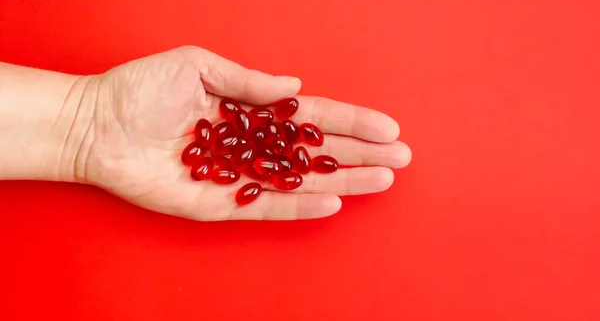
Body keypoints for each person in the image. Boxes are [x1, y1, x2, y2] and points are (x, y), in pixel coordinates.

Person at [0, 46, 411, 220]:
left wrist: (83, 118)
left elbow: (254, 153)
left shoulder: (258, 145)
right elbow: (240, 156)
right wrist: (88, 115)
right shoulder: (230, 147)